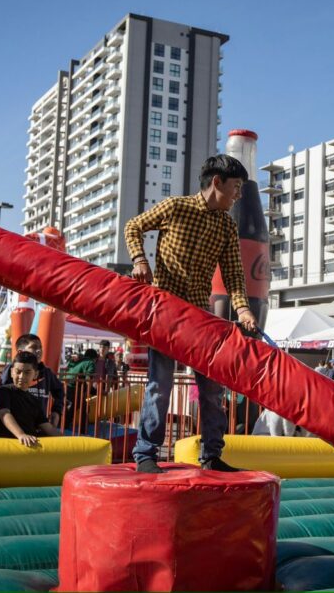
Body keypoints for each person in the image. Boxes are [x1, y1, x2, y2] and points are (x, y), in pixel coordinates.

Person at [125, 154, 258, 473]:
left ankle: (211, 454)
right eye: (236, 187)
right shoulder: (175, 207)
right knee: (161, 384)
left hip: (200, 315)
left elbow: (234, 273)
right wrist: (140, 260)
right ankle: (146, 454)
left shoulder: (227, 224)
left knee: (212, 388)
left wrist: (242, 308)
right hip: (165, 310)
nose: (239, 194)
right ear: (217, 183)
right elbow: (134, 227)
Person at [0, 351, 62, 446]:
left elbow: (47, 427)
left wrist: (68, 440)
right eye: (18, 372)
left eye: (27, 373)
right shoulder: (4, 391)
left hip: (29, 446)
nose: (21, 377)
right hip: (9, 445)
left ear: (35, 374)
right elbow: (4, 413)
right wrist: (21, 434)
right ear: (11, 372)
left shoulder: (34, 400)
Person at [0, 334, 65, 428]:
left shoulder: (47, 372)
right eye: (33, 347)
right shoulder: (11, 370)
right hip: (15, 429)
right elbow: (2, 398)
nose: (38, 351)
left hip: (40, 425)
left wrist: (56, 411)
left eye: (40, 347)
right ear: (20, 352)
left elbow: (59, 391)